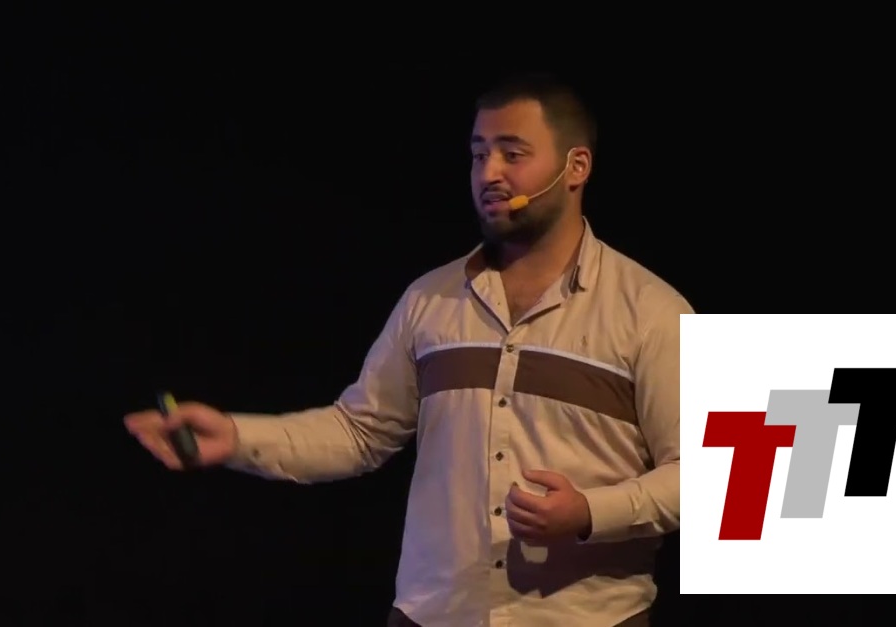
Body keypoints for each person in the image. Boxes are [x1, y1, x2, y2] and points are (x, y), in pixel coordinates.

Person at [125, 72, 692, 627]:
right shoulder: (429, 298)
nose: (489, 173)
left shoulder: (656, 309)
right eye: (478, 154)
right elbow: (359, 431)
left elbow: (718, 482)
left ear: (576, 167)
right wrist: (235, 437)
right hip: (432, 613)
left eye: (512, 153)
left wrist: (590, 512)